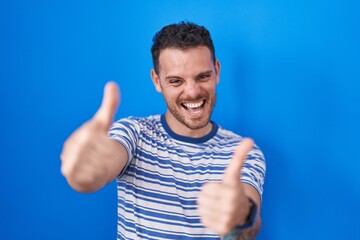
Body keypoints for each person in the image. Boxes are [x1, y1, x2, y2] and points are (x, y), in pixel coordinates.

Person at [60, 22, 266, 240]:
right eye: (176, 81)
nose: (193, 92)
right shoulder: (134, 133)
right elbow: (99, 169)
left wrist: (242, 215)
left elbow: (249, 227)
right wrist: (84, 172)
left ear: (217, 71)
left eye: (203, 76)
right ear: (157, 81)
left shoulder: (244, 153)